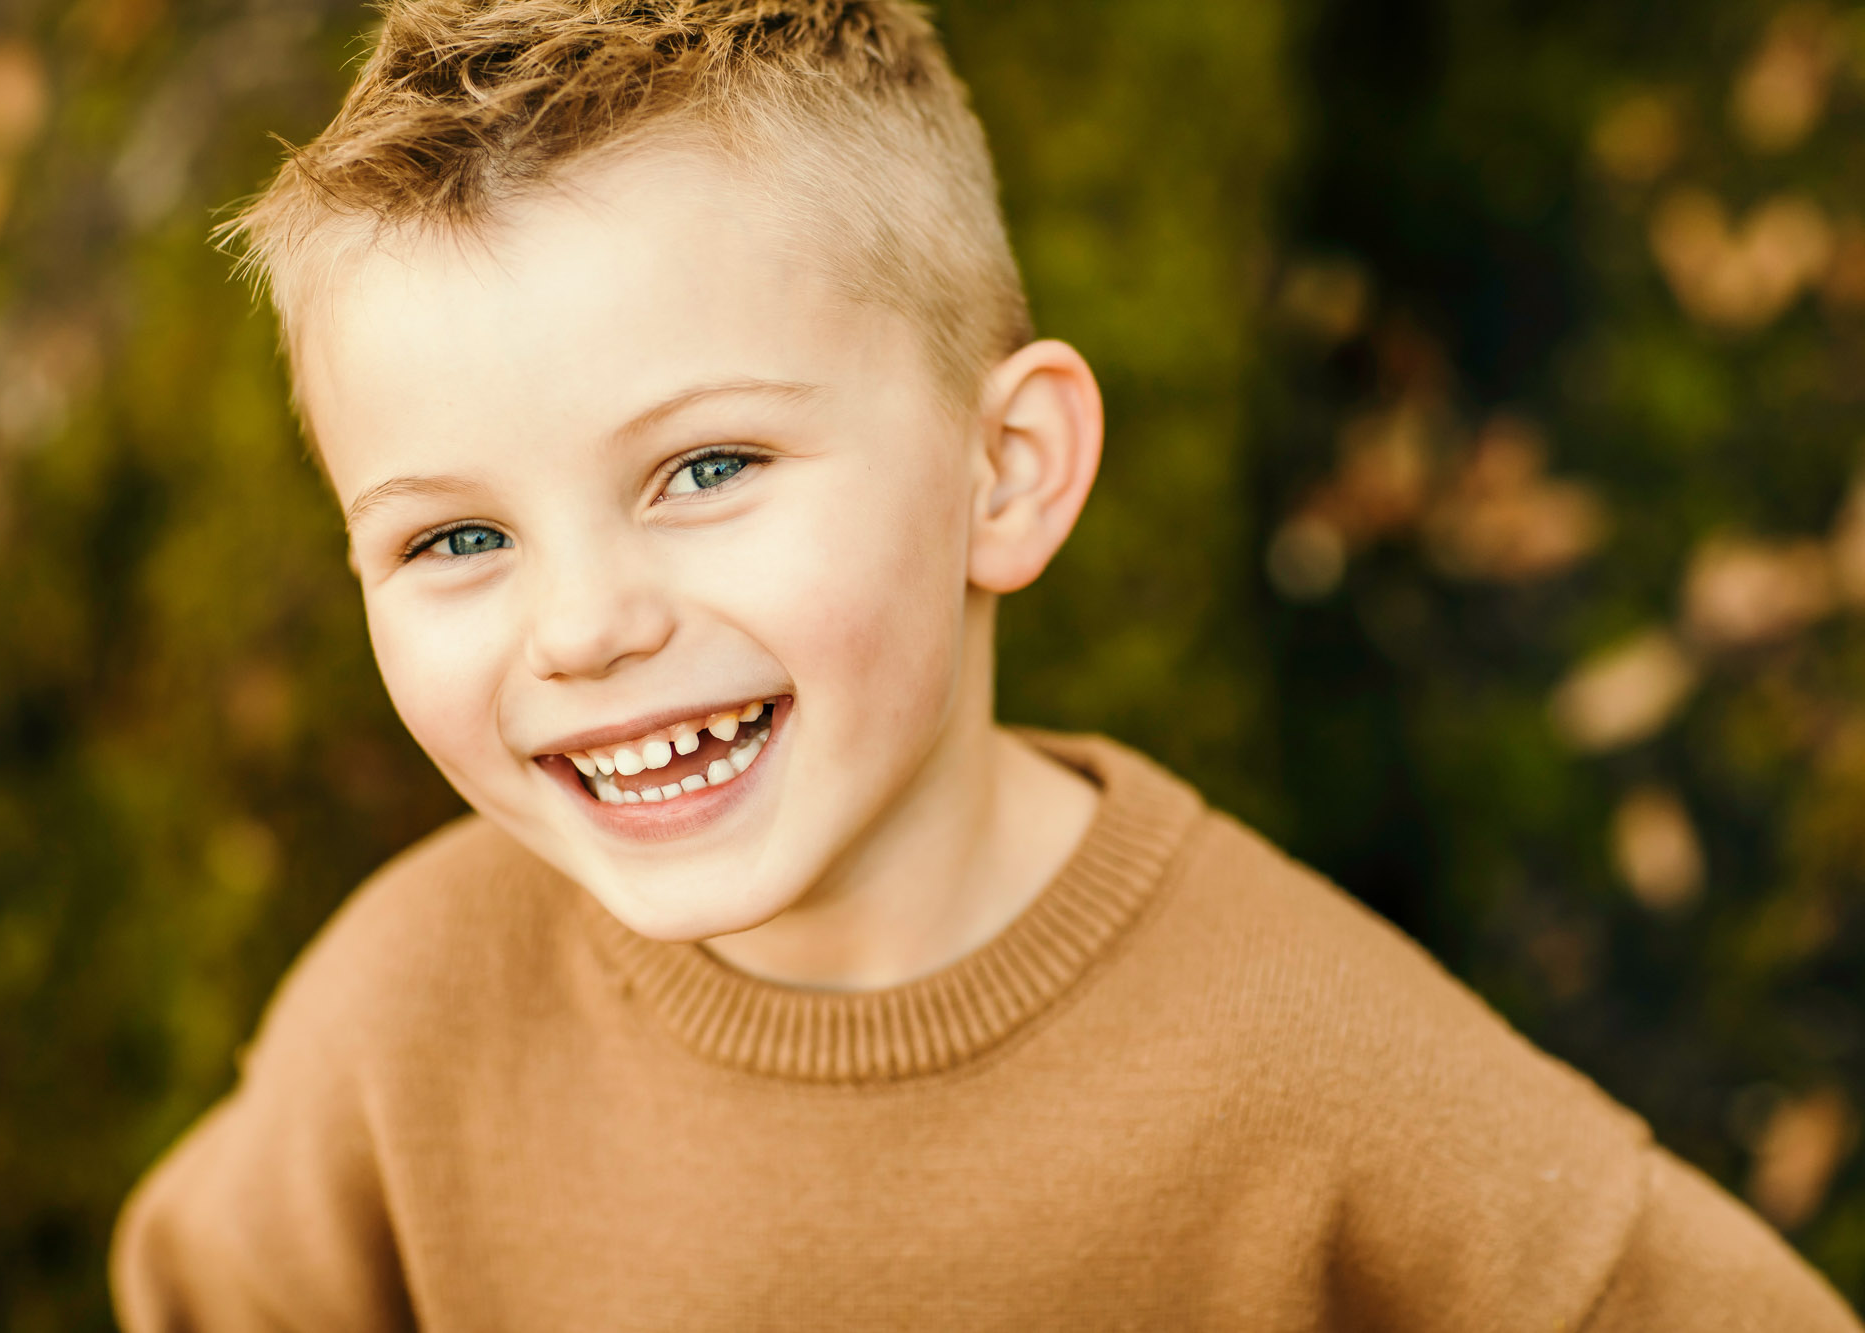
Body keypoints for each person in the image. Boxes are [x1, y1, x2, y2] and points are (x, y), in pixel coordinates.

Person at [109, 2, 1864, 1328]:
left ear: (1005, 469)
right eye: (453, 538)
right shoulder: (408, 1011)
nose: (581, 628)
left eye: (706, 469)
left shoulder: (1314, 1067)